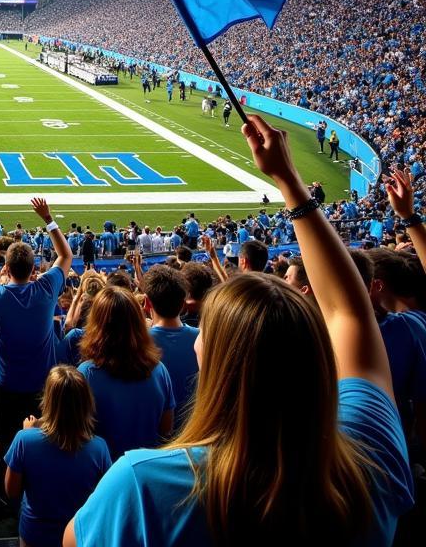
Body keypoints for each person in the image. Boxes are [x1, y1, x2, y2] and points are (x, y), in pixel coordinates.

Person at [66, 113, 415, 547]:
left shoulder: (143, 485)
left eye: (206, 332)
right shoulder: (364, 454)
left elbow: (73, 538)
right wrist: (291, 185)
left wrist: (289, 180)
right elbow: (351, 313)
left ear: (216, 359)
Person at [0, 197, 73, 463]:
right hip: (41, 382)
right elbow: (66, 255)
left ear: (7, 270)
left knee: (3, 439)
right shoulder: (45, 289)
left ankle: (4, 489)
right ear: (34, 270)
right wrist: (48, 219)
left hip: (6, 382)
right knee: (44, 438)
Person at [5, 366, 111, 547]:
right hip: (79, 535)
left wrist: (26, 434)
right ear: (86, 402)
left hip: (35, 534)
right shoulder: (99, 448)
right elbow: (105, 499)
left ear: (48, 400)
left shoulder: (24, 441)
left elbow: (11, 491)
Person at [77, 285, 175, 459]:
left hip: (104, 479)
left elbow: (75, 436)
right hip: (146, 475)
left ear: (96, 324)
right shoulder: (159, 371)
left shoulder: (86, 375)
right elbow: (166, 431)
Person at [142, 264, 199, 431]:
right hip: (196, 439)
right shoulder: (204, 339)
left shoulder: (137, 344)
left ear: (146, 302)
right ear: (183, 304)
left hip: (157, 444)